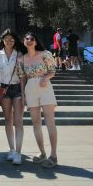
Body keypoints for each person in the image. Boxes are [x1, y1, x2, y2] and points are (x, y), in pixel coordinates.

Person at [21, 32, 58, 168]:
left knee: (50, 122)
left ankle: (53, 156)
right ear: (24, 41)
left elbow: (52, 70)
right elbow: (23, 78)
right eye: (27, 39)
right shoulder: (22, 59)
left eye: (32, 39)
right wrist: (23, 95)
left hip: (45, 87)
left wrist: (45, 78)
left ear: (36, 42)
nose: (29, 40)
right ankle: (42, 153)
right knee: (36, 123)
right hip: (30, 88)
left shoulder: (44, 54)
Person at [0, 29, 26, 165]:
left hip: (17, 88)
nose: (9, 41)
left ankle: (18, 152)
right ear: (2, 41)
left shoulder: (19, 55)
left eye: (12, 39)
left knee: (18, 121)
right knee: (7, 120)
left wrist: (23, 93)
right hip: (4, 89)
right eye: (6, 39)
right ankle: (11, 149)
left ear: (15, 41)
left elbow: (22, 76)